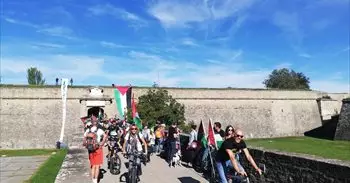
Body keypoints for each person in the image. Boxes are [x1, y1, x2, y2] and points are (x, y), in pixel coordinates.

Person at [83, 117, 108, 183]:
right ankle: (95, 180)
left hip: (91, 150)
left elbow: (84, 140)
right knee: (97, 166)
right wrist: (102, 143)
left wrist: (86, 145)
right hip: (98, 149)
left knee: (93, 166)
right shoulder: (99, 130)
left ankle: (92, 180)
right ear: (96, 122)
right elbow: (105, 136)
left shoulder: (88, 130)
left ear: (91, 122)